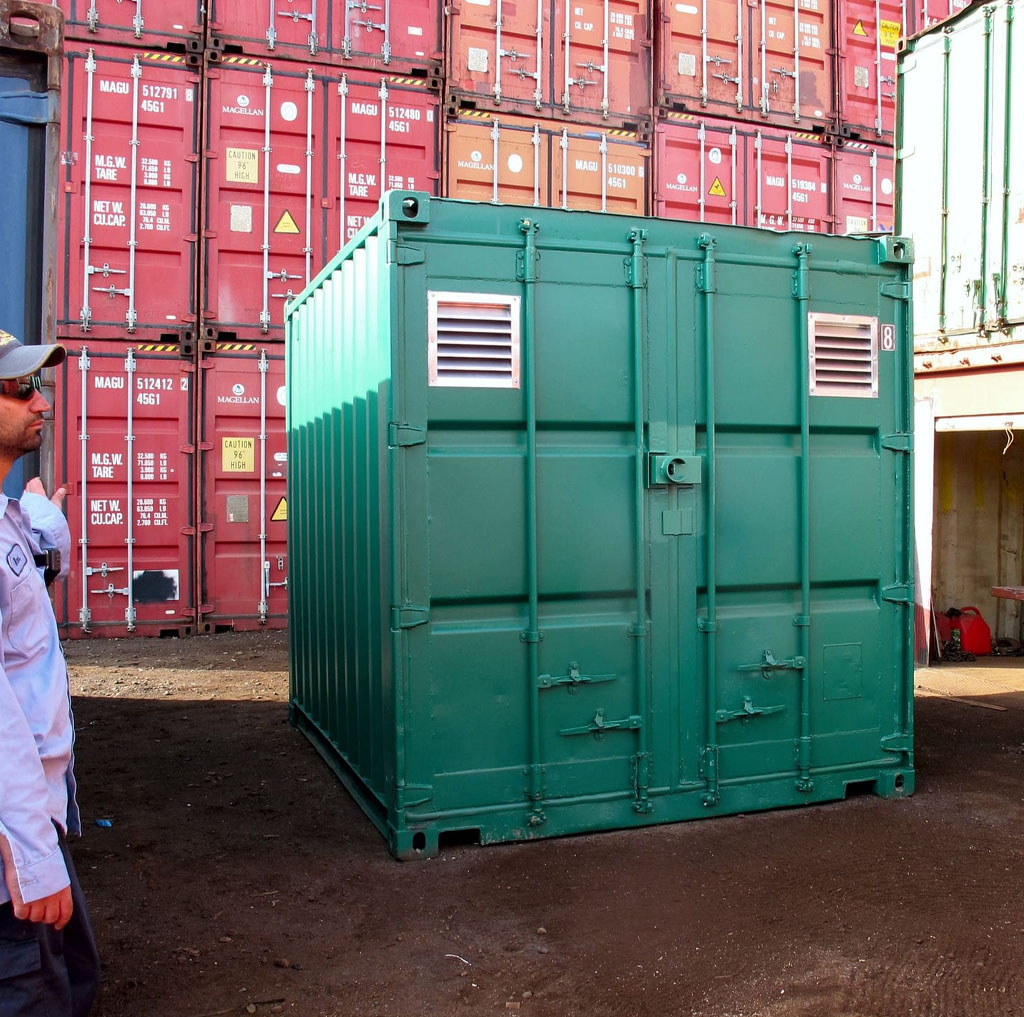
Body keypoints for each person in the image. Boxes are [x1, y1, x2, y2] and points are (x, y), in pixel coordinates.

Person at [0, 328, 99, 1017]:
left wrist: (44, 524)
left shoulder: (7, 517)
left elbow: (28, 580)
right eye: (18, 387)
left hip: (36, 811)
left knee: (77, 973)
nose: (41, 400)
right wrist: (33, 854)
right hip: (12, 854)